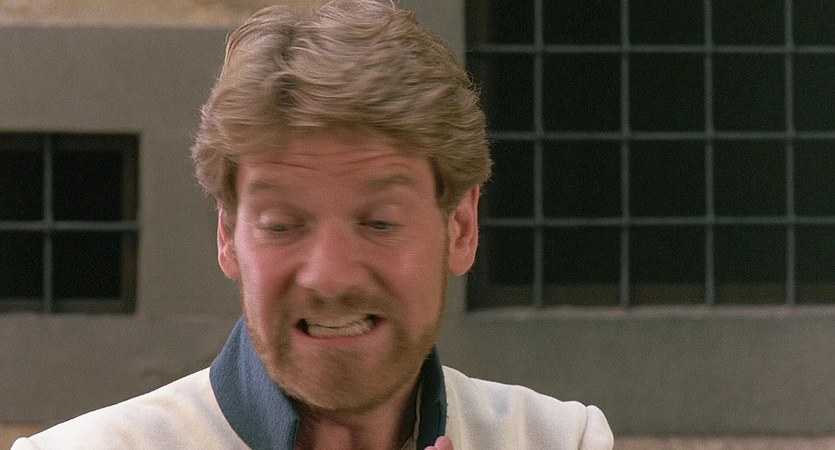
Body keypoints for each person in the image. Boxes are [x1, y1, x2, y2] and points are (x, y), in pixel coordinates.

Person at [13, 1, 613, 449]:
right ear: (228, 237)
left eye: (379, 222)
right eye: (281, 225)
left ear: (459, 228)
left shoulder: (560, 440)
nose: (329, 277)